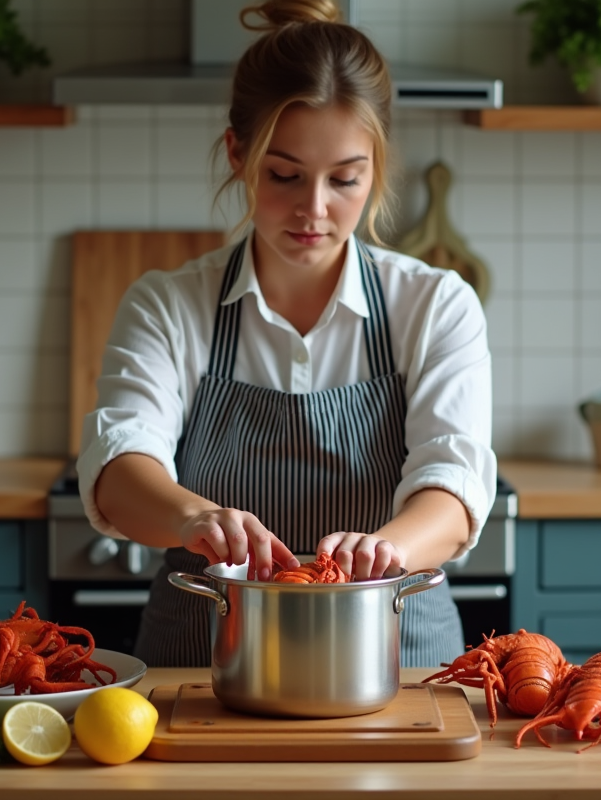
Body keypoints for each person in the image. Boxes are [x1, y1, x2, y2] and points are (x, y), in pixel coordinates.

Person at [77, 0, 496, 668]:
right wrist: (192, 519)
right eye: (285, 175)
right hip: (201, 668)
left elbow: (454, 479)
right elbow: (119, 467)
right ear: (237, 152)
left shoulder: (436, 304)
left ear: (377, 169)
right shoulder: (167, 305)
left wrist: (390, 549)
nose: (314, 208)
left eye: (345, 178)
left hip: (396, 667)